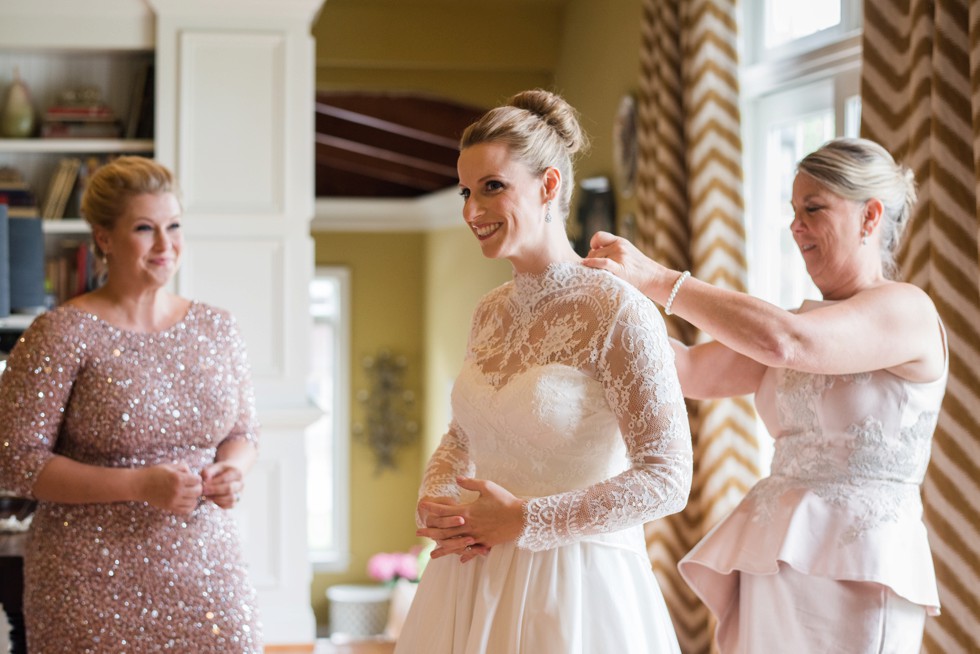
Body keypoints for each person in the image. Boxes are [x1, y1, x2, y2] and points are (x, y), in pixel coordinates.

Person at [584, 137, 948, 653]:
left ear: (870, 216)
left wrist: (658, 279)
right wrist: (598, 309)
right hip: (773, 557)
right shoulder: (798, 321)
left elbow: (787, 343)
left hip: (862, 565)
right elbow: (689, 371)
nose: (796, 227)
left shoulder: (906, 310)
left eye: (813, 209)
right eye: (793, 211)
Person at [394, 89, 692, 654]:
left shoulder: (618, 310)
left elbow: (667, 477)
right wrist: (436, 500)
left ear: (549, 186)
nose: (471, 211)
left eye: (492, 187)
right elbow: (465, 433)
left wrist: (528, 521)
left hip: (575, 591)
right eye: (466, 191)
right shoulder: (489, 312)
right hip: (471, 577)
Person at [0, 156, 263, 652]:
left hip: (209, 571)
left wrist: (233, 469)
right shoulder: (60, 333)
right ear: (104, 238)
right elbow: (16, 463)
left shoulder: (218, 327)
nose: (166, 246)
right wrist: (139, 485)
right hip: (88, 579)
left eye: (174, 226)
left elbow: (244, 432)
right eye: (145, 229)